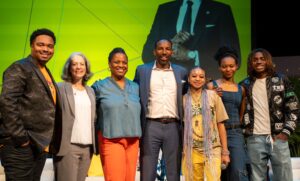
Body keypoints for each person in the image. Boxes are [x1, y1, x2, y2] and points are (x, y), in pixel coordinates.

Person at [0, 28, 60, 180]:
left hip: (39, 146)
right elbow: (7, 101)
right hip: (19, 146)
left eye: (50, 46)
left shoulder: (45, 71)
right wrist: (22, 139)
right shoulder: (20, 67)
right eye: (41, 45)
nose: (46, 49)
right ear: (32, 45)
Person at [240, 48, 300, 181]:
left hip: (278, 138)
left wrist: (285, 132)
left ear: (268, 61)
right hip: (254, 139)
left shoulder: (281, 80)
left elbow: (294, 108)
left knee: (284, 178)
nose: (259, 62)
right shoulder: (245, 84)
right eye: (255, 59)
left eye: (262, 59)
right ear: (251, 63)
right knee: (256, 179)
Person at [142, 0, 240, 79]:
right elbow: (147, 54)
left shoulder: (221, 10)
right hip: (168, 85)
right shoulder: (165, 10)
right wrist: (169, 46)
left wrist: (192, 55)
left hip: (206, 83)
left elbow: (234, 56)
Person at [134, 39, 188, 181]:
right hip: (151, 125)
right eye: (160, 48)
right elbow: (133, 92)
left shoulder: (181, 72)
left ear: (172, 51)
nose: (164, 52)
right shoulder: (142, 70)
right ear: (154, 51)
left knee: (173, 172)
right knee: (147, 171)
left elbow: (189, 94)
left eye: (167, 49)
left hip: (174, 126)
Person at [92, 48, 142, 181]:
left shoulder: (135, 87)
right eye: (116, 62)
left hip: (133, 141)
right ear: (109, 64)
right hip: (111, 139)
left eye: (124, 62)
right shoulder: (99, 86)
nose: (121, 65)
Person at [207, 46, 249, 181]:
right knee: (219, 173)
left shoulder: (241, 89)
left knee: (238, 172)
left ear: (236, 66)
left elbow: (241, 113)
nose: (228, 69)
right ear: (219, 68)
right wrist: (212, 95)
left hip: (235, 134)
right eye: (224, 66)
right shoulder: (212, 86)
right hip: (216, 134)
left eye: (231, 66)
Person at [53, 52, 96, 181]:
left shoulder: (91, 91)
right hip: (67, 146)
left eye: (82, 64)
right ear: (69, 67)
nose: (78, 67)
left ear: (86, 68)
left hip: (87, 148)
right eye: (74, 64)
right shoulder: (60, 88)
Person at [182, 66, 230, 181]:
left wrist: (225, 151)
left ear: (205, 79)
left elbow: (220, 124)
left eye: (201, 76)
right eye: (194, 76)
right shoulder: (183, 100)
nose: (197, 79)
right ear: (188, 79)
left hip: (213, 148)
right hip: (192, 150)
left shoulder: (213, 96)